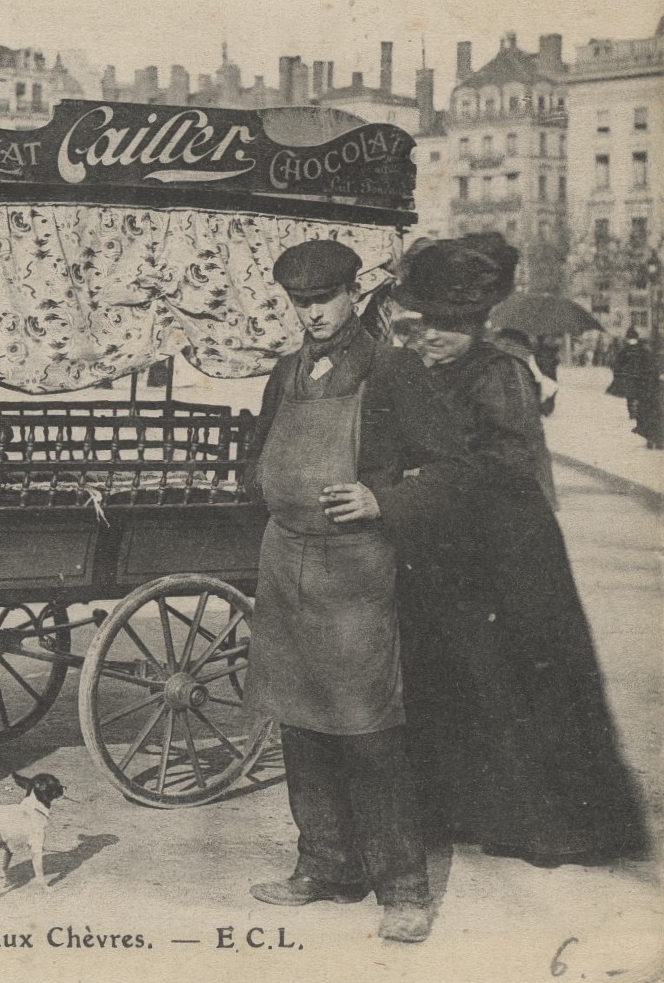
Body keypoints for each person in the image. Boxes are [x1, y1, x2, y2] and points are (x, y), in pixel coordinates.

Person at [394, 235, 650, 866]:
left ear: (474, 325)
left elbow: (508, 463)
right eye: (426, 323)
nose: (430, 336)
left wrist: (426, 481)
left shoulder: (498, 372)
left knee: (521, 678)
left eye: (446, 327)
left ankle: (549, 826)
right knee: (460, 676)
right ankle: (470, 809)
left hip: (509, 550)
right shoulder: (428, 370)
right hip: (453, 545)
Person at [242, 239, 471, 945]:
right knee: (299, 723)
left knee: (368, 731)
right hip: (285, 563)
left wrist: (380, 500)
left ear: (353, 295)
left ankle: (403, 889)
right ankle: (325, 865)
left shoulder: (393, 370)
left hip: (357, 568)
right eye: (299, 303)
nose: (311, 315)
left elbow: (453, 470)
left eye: (321, 300)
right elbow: (261, 455)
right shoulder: (283, 374)